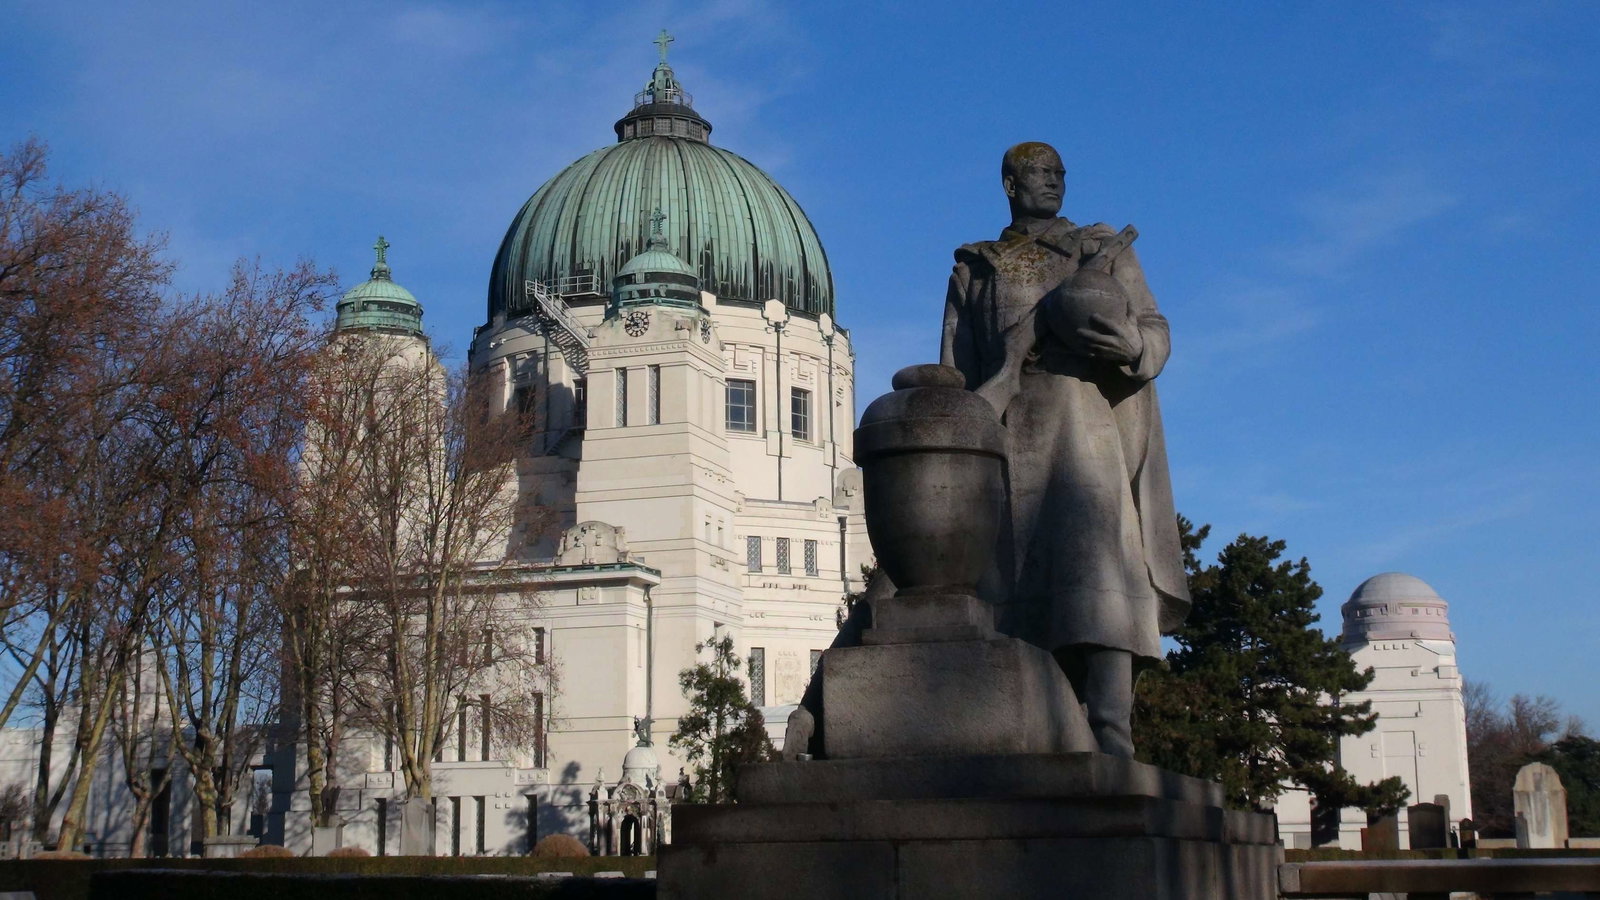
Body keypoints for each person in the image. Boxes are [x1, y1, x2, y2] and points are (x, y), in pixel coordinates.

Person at [939, 141, 1189, 757]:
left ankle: (1110, 733)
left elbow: (1153, 327)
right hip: (1005, 433)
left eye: (1059, 174)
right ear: (1010, 184)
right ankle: (1023, 729)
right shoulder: (976, 266)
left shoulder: (1100, 248)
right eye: (1039, 174)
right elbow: (958, 371)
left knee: (1099, 574)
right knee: (1004, 583)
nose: (1052, 182)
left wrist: (1133, 346)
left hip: (1085, 426)